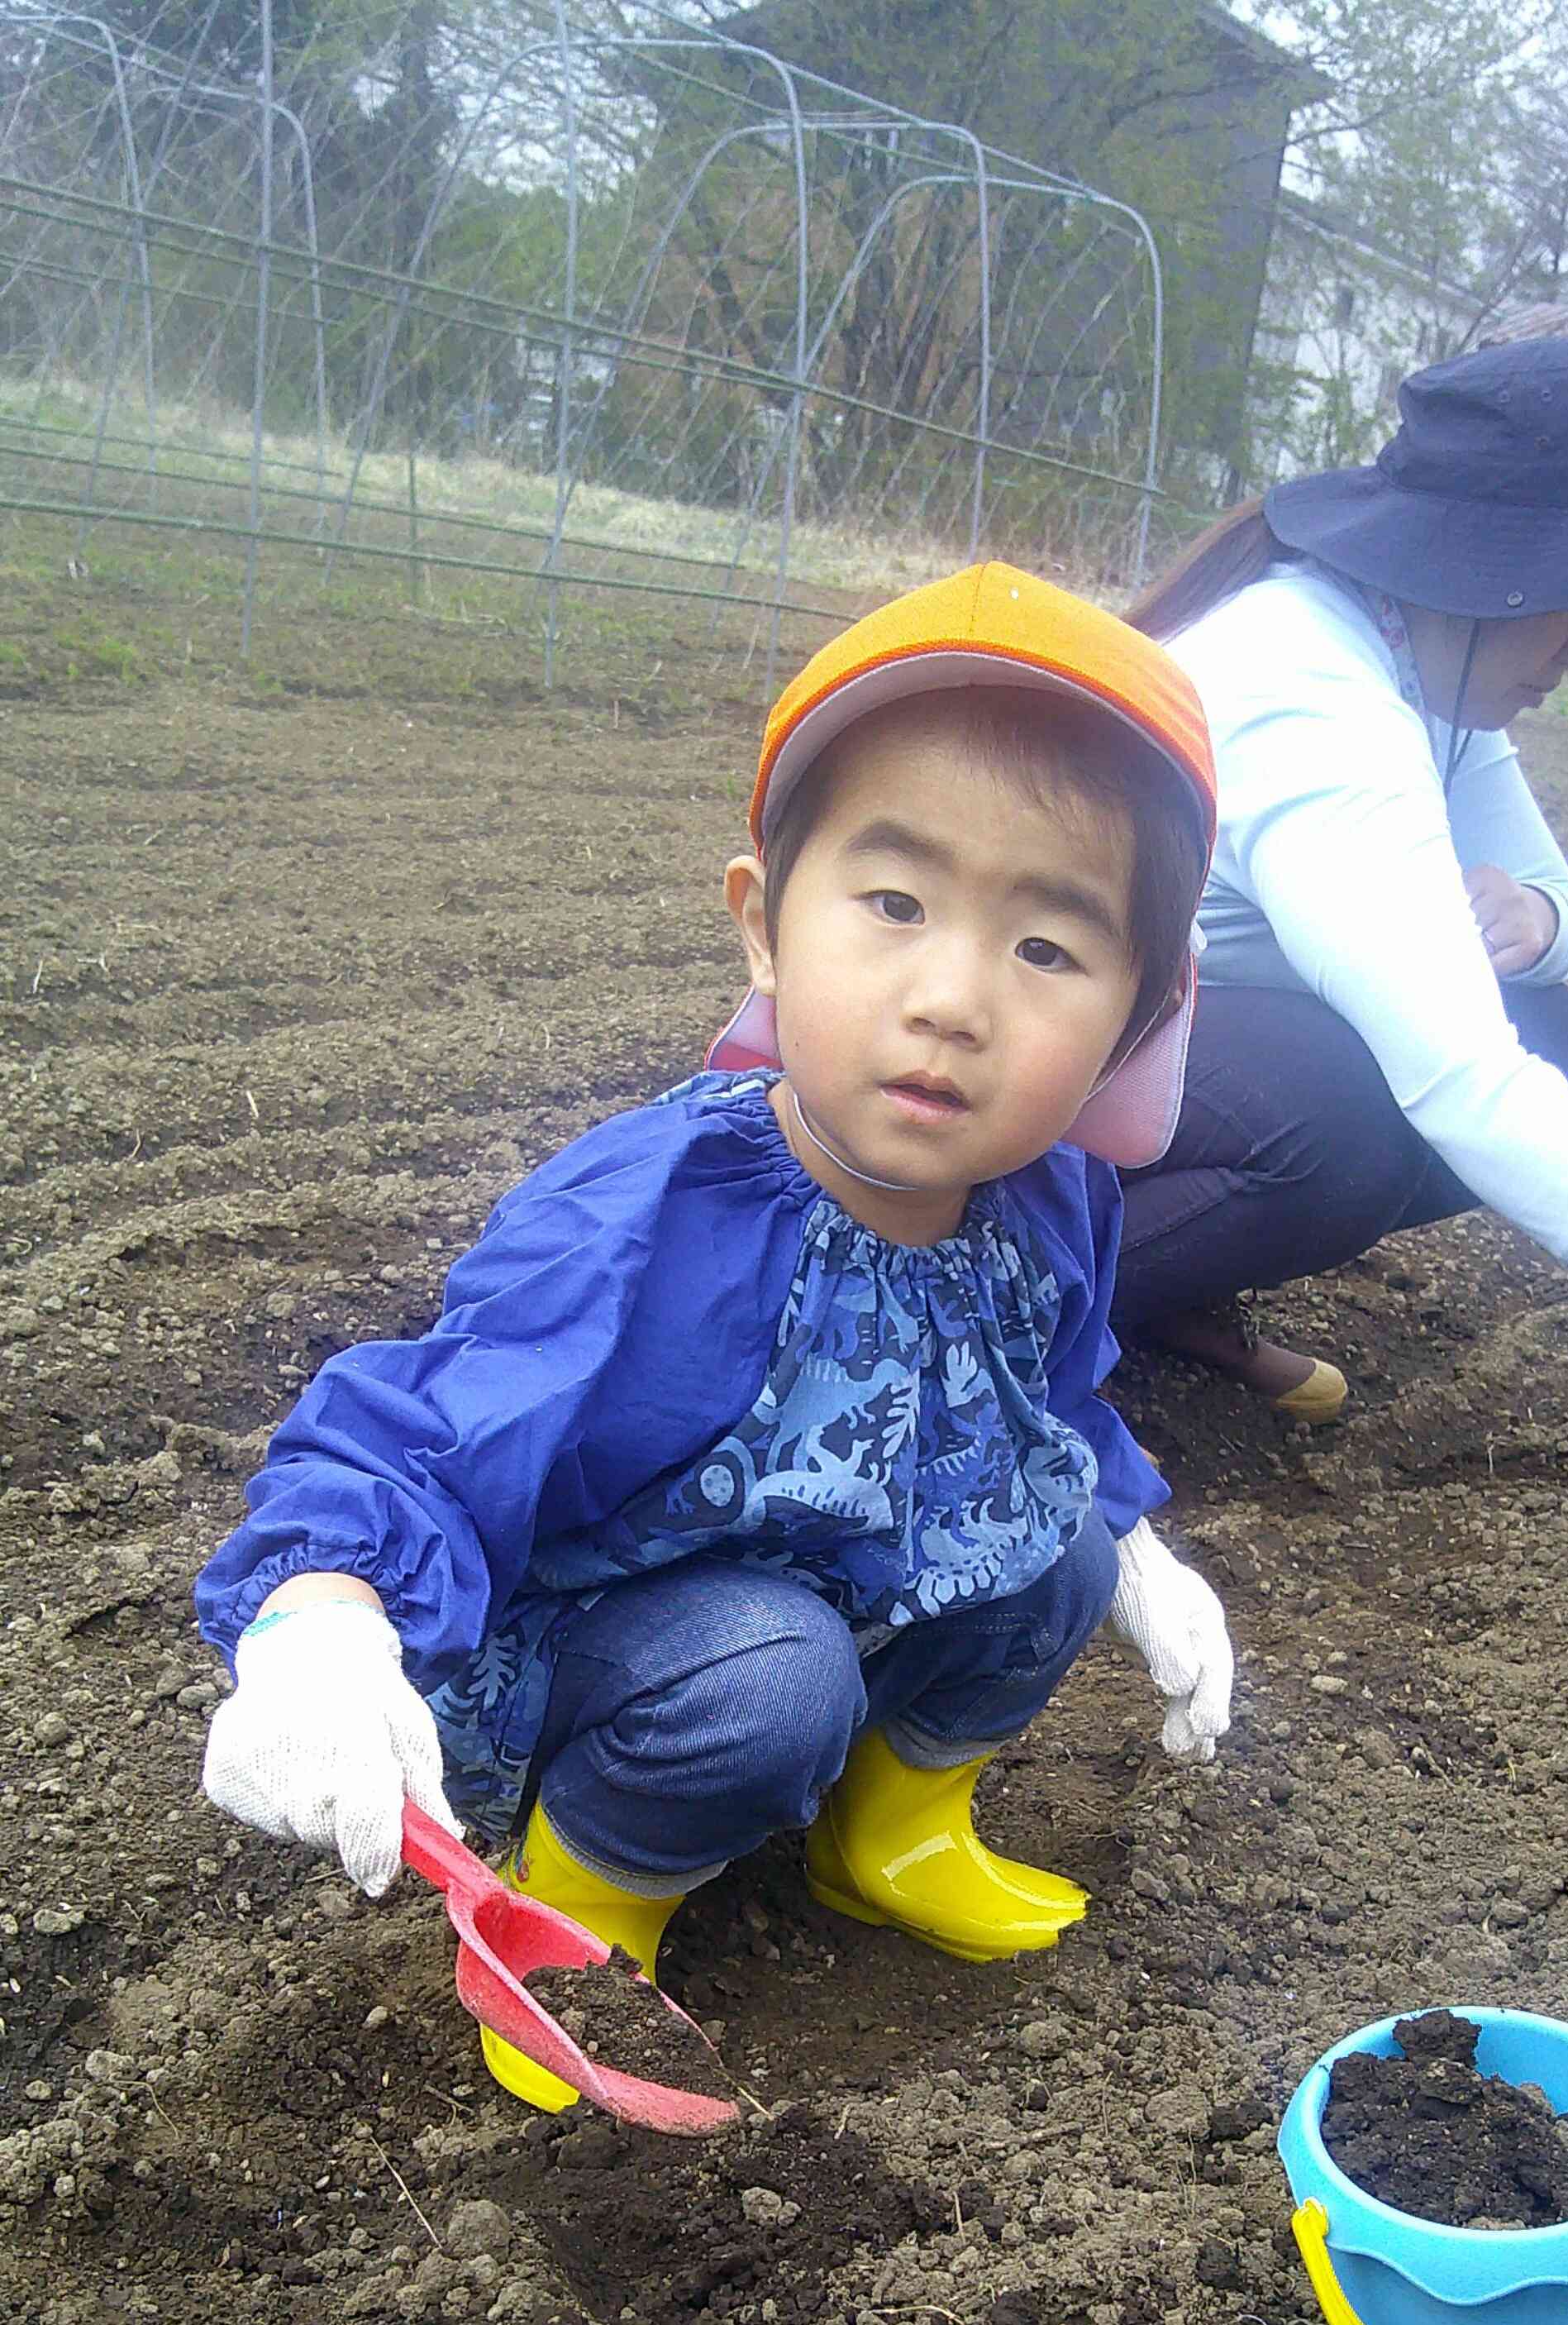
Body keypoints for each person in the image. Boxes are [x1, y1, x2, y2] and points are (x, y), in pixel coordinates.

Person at [194, 561, 1237, 2113]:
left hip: (842, 1589)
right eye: (893, 904)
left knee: (1065, 1544)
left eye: (1048, 948)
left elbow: (1051, 1395)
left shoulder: (1051, 1197)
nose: (952, 997)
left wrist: (1139, 1549)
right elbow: (412, 1429)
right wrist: (317, 1627)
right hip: (624, 1639)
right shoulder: (649, 1223)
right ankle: (584, 1909)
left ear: (1140, 1016)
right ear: (763, 923)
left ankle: (892, 1832)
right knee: (769, 1669)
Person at [1113, 338, 1568, 1435]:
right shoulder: (1313, 690)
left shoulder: (1418, 663)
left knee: (1548, 1030)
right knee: (1349, 1114)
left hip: (1129, 1044)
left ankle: (1150, 1290)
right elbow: (1459, 1077)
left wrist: (1537, 918)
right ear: (1483, 565)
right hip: (991, 1065)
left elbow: (1553, 896)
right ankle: (994, 1297)